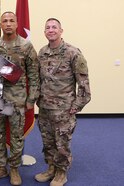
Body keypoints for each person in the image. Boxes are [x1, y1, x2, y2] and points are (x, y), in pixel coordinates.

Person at [34, 18, 91, 186]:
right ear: (45, 32)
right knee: (48, 141)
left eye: (54, 27)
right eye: (47, 27)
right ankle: (51, 168)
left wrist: (76, 106)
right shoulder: (42, 52)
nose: (51, 30)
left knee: (62, 143)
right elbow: (38, 79)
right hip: (45, 108)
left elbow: (84, 83)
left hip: (64, 109)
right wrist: (37, 99)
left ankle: (61, 173)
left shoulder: (73, 53)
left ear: (61, 31)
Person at [0, 12, 40, 185]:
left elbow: (33, 74)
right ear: (0, 24)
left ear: (17, 23)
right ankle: (1, 167)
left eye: (11, 21)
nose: (8, 24)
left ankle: (15, 169)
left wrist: (31, 99)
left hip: (18, 100)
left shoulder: (26, 46)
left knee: (17, 136)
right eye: (5, 21)